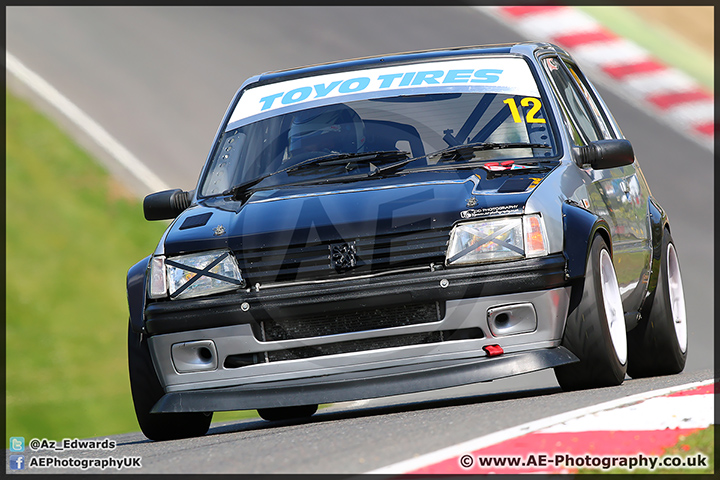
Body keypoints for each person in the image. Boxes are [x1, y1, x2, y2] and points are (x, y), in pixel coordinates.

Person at [287, 104, 366, 161]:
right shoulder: (281, 179)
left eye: (319, 140)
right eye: (304, 143)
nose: (307, 149)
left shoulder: (375, 178)